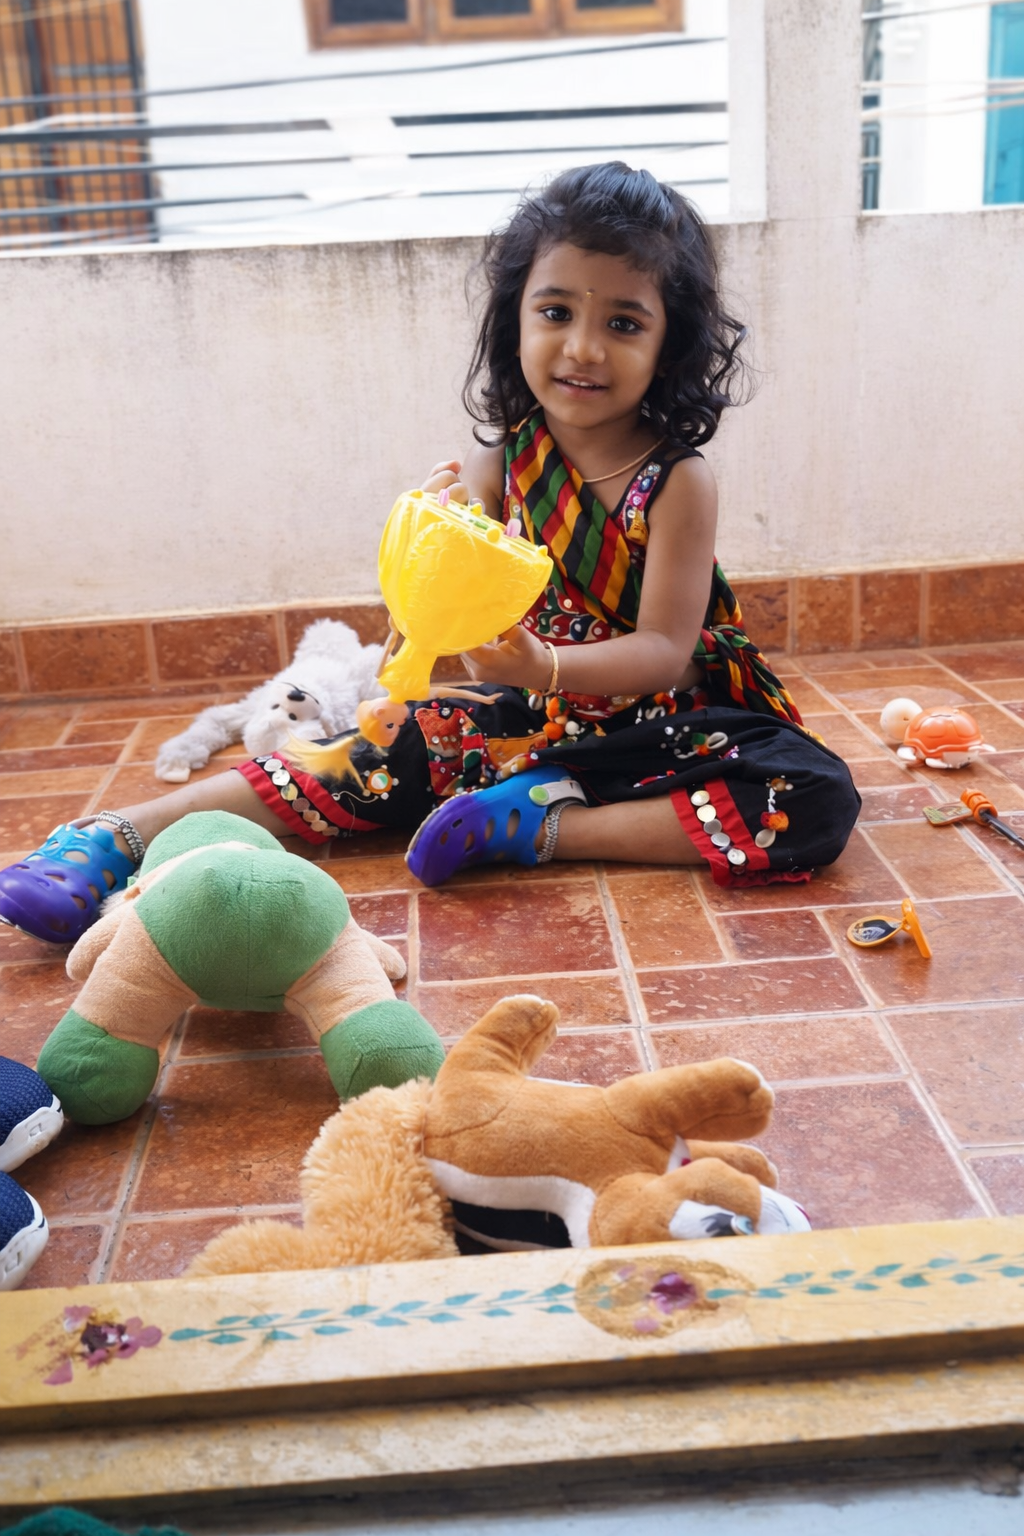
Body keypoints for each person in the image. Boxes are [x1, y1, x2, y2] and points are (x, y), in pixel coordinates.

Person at [0, 163, 860, 947]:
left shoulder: (676, 482)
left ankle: (536, 828)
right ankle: (110, 838)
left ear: (667, 346)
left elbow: (666, 654)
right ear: (515, 317)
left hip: (667, 726)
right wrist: (430, 536)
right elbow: (441, 615)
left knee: (814, 794)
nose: (583, 348)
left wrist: (545, 663)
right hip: (527, 720)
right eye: (556, 311)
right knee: (370, 749)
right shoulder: (503, 457)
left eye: (623, 322)